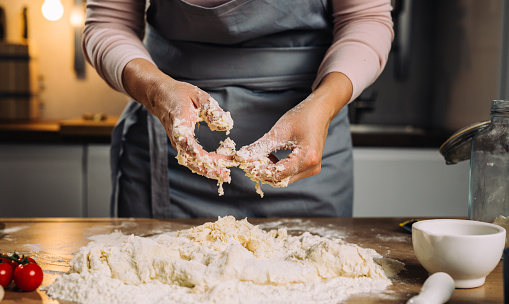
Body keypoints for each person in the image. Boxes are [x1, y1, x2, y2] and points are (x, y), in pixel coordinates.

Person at [83, 0, 394, 219]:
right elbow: (109, 24)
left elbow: (366, 19)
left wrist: (323, 104)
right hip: (171, 162)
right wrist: (156, 91)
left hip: (304, 152)